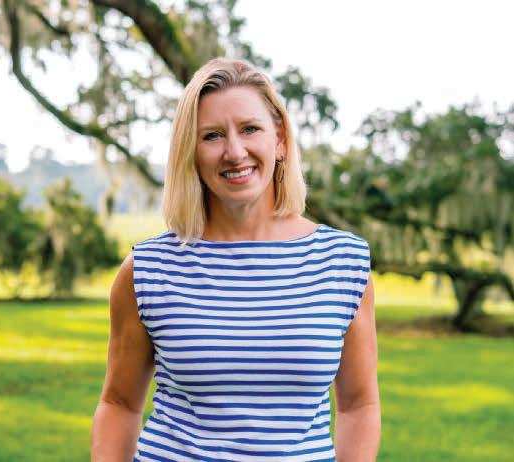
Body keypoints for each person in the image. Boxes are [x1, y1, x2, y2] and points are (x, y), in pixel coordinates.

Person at [91, 57, 380, 462]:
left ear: (280, 140)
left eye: (250, 129)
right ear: (191, 152)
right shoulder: (148, 270)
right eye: (212, 136)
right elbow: (119, 404)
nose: (234, 151)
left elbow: (358, 405)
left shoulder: (342, 263)